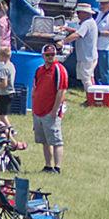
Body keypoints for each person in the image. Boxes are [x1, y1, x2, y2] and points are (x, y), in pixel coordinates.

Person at [31, 43, 69, 174]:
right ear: (43, 56)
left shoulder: (59, 70)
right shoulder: (39, 70)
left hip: (51, 111)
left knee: (56, 140)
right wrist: (33, 107)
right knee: (44, 141)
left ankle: (57, 167)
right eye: (47, 55)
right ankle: (48, 165)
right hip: (38, 110)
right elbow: (34, 88)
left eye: (52, 55)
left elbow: (61, 91)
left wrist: (55, 110)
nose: (50, 57)